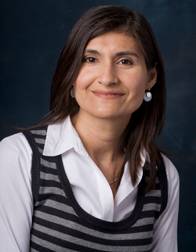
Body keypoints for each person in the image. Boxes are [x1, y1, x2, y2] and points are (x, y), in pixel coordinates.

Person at [0, 5, 179, 252]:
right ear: (72, 74)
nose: (107, 77)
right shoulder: (18, 158)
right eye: (90, 59)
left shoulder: (163, 175)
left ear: (150, 77)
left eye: (125, 61)